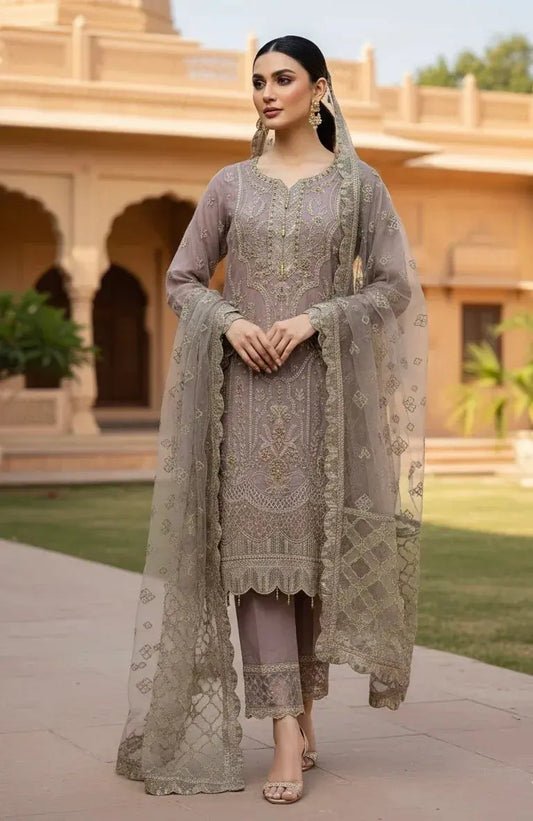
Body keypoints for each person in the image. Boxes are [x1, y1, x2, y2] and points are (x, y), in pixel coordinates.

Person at [115, 35, 429, 805]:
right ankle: (286, 731)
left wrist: (317, 316)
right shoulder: (230, 186)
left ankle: (307, 710)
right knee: (257, 563)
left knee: (313, 566)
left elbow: (392, 287)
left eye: (282, 78)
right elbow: (183, 277)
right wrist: (226, 321)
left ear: (318, 89)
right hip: (245, 406)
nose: (265, 91)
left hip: (328, 406)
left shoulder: (359, 188)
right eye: (256, 80)